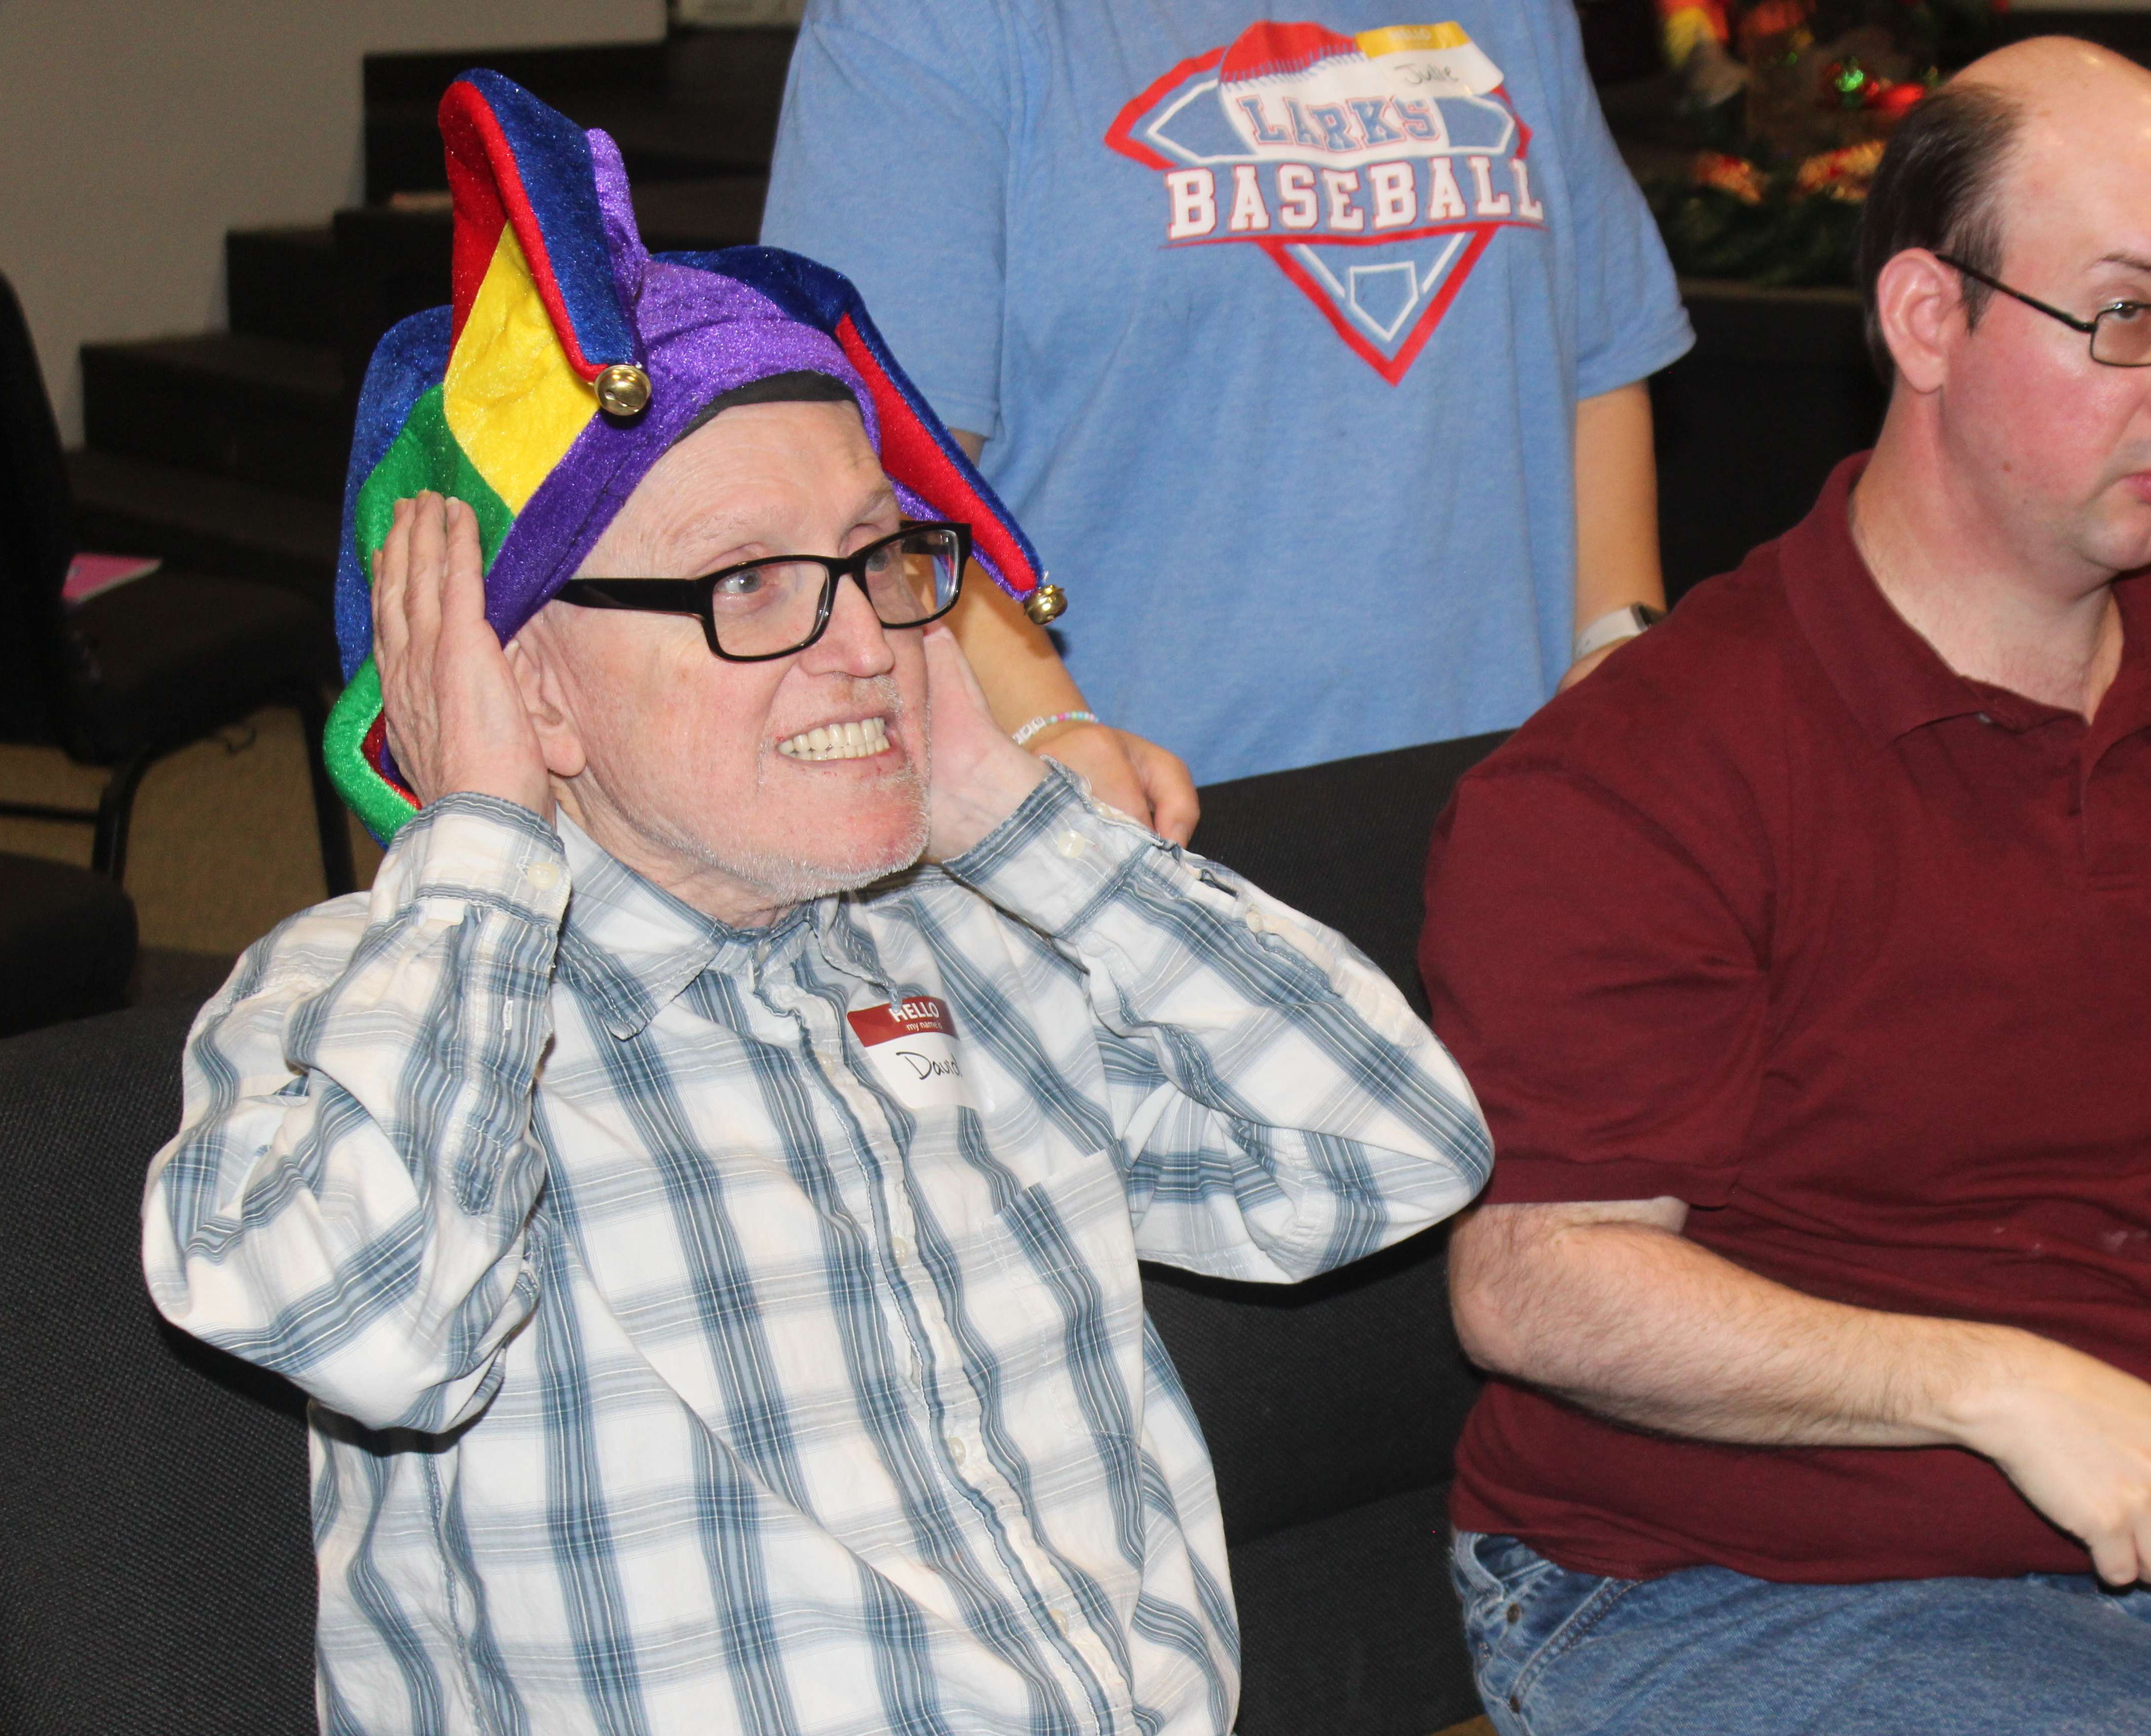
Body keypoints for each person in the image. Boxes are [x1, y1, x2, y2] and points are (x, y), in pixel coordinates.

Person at [143, 72, 1491, 1736]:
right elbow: (372, 1319)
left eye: (880, 559)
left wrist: (1004, 803)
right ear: (526, 687)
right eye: (750, 584)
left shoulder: (977, 957)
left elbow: (1388, 1149)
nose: (862, 634)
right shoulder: (363, 1003)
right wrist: (482, 845)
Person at [1417, 38, 2151, 1736]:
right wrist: (1987, 1383)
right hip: (1709, 1577)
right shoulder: (1647, 761)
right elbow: (1535, 1280)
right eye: (2125, 317)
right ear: (1926, 320)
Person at [761, 3, 1691, 794]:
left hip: (1513, 813)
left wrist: (1623, 651)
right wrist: (1049, 737)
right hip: (1152, 825)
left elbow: (1596, 361)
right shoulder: (935, 25)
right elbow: (875, 472)